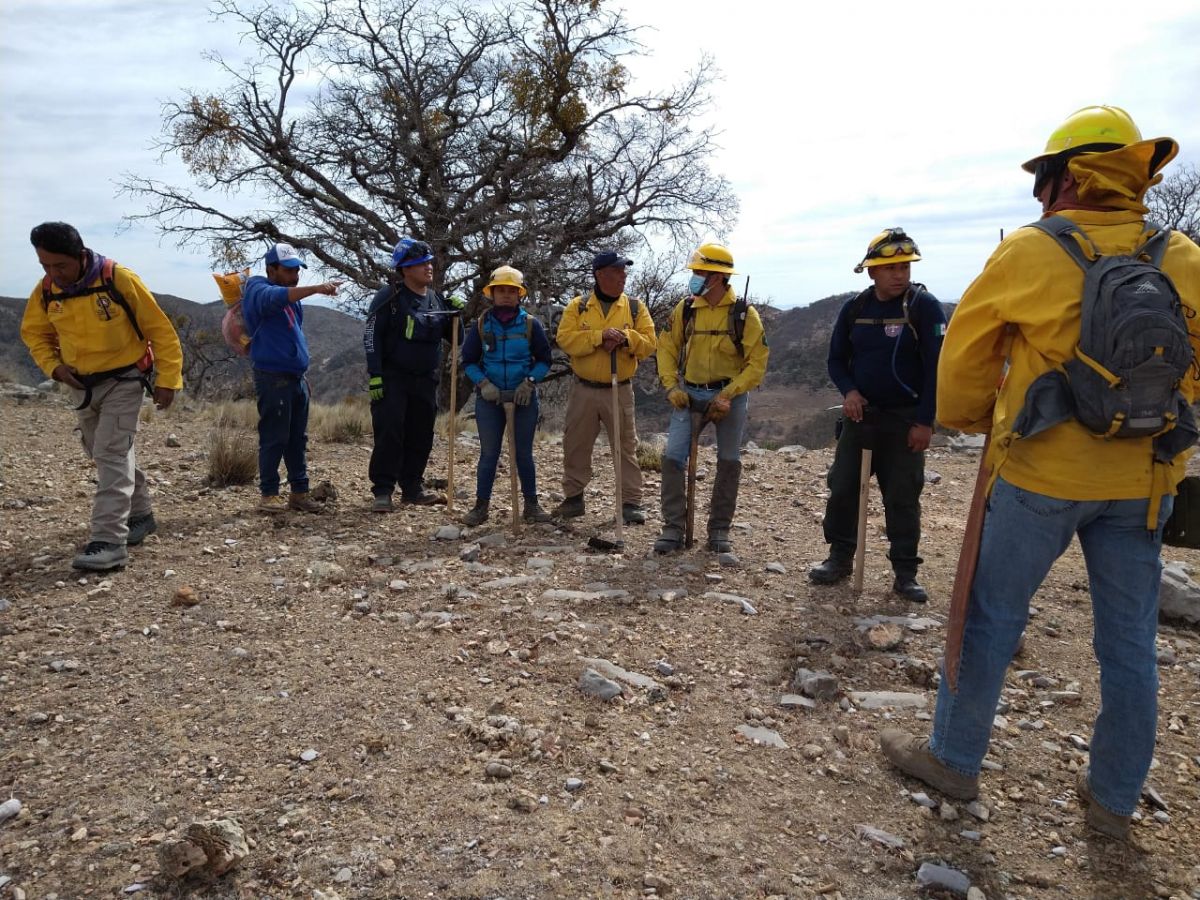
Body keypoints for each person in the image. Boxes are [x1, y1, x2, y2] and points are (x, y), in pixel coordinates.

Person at [880, 106, 1200, 840]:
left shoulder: (1029, 252)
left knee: (990, 617)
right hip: (1144, 478)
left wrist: (970, 421)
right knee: (1129, 643)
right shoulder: (1180, 255)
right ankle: (1115, 801)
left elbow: (963, 363)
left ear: (1065, 179)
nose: (1037, 198)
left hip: (1040, 477)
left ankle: (955, 759)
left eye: (1042, 181)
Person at [20, 222, 184, 570]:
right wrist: (55, 368)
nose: (53, 273)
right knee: (106, 452)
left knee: (111, 452)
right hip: (81, 386)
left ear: (80, 256)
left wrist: (169, 378)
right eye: (45, 266)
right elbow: (35, 333)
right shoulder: (47, 290)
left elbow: (161, 332)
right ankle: (141, 515)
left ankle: (108, 541)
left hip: (124, 380)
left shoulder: (117, 279)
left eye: (59, 265)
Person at [808, 228, 946, 602]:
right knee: (843, 487)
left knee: (902, 495)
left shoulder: (924, 307)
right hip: (861, 417)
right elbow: (836, 359)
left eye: (904, 266)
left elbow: (938, 367)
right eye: (890, 267)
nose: (899, 273)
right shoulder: (855, 309)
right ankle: (839, 557)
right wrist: (849, 391)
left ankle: (905, 571)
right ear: (872, 272)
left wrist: (925, 421)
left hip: (905, 420)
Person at [653, 243, 768, 553]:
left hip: (729, 394)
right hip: (688, 393)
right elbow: (665, 347)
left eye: (700, 272)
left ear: (717, 277)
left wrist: (728, 395)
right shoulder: (686, 308)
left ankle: (719, 531)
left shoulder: (744, 314)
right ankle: (673, 528)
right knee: (673, 458)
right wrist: (670, 387)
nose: (695, 278)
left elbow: (756, 364)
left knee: (729, 460)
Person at [554, 251, 657, 522]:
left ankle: (631, 503)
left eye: (624, 272)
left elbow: (649, 343)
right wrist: (599, 337)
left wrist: (625, 339)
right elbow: (565, 339)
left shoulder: (635, 307)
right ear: (600, 275)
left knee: (625, 446)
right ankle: (574, 497)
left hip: (620, 388)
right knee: (576, 443)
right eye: (617, 271)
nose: (623, 276)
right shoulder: (578, 306)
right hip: (584, 389)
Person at [364, 237, 464, 510]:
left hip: (426, 380)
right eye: (421, 264)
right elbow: (371, 336)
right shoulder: (389, 297)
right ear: (405, 269)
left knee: (421, 434)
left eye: (429, 262)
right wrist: (375, 375)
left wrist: (457, 315)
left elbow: (457, 339)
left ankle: (412, 488)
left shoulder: (435, 299)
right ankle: (383, 491)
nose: (428, 267)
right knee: (390, 433)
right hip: (392, 378)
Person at [242, 242, 340, 514]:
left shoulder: (291, 301)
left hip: (296, 378)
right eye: (288, 270)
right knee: (275, 436)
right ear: (271, 269)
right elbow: (275, 297)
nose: (295, 275)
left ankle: (299, 492)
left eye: (297, 269)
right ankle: (269, 494)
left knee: (297, 438)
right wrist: (317, 288)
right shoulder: (257, 289)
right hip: (273, 378)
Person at [458, 265, 554, 525]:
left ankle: (532, 506)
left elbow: (545, 360)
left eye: (512, 291)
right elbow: (469, 361)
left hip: (523, 399)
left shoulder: (531, 325)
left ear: (519, 294)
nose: (506, 295)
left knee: (523, 454)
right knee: (489, 453)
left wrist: (530, 382)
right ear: (492, 293)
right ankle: (481, 507)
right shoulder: (480, 325)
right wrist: (483, 384)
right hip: (490, 400)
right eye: (501, 290)